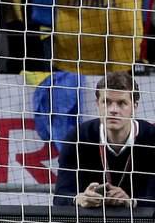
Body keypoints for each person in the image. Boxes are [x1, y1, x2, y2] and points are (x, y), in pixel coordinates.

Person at [54, 71, 155, 208]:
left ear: (134, 106)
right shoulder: (78, 137)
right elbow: (60, 196)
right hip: (91, 218)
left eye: (121, 103)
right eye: (106, 102)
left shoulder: (151, 138)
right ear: (97, 104)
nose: (113, 110)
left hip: (142, 220)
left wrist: (132, 202)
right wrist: (79, 199)